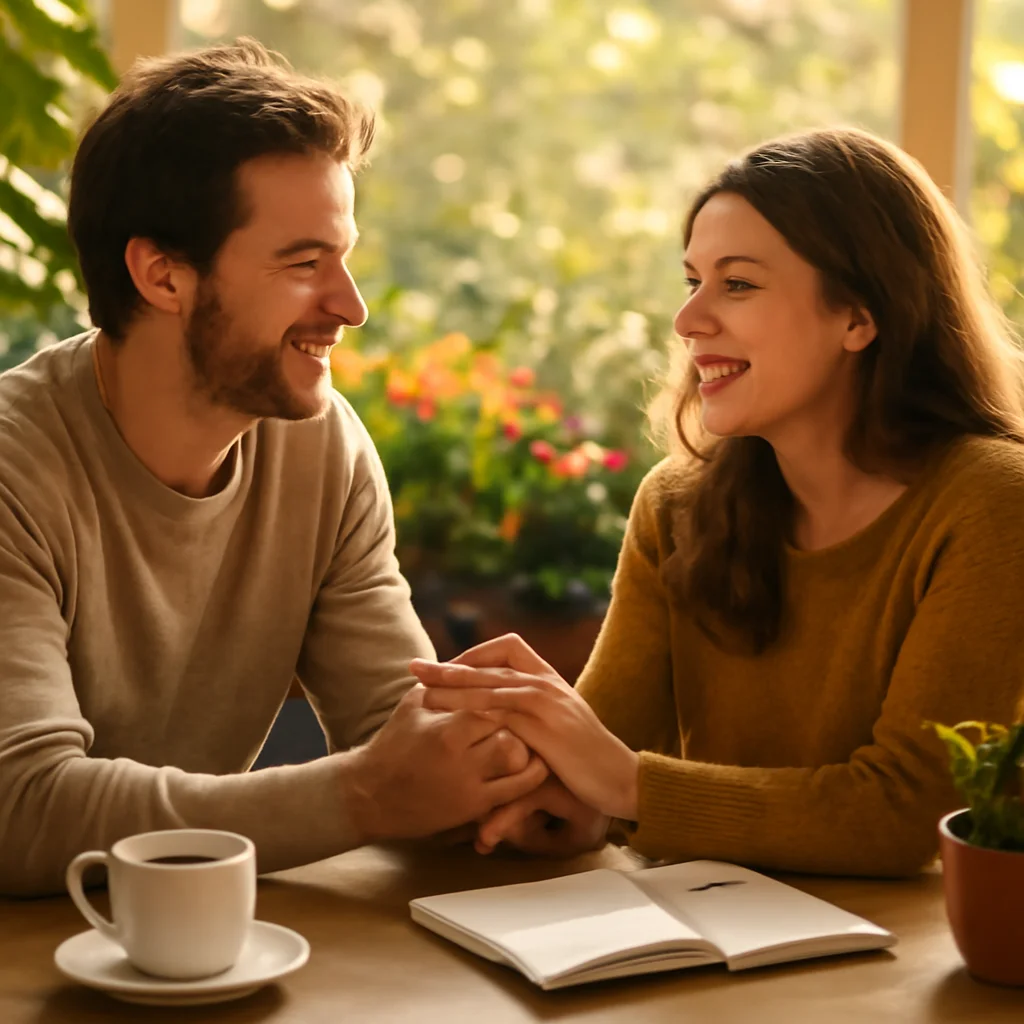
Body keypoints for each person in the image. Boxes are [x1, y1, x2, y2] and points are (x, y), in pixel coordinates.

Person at [0, 39, 546, 898]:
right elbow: (20, 810)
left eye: (344, 256)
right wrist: (366, 794)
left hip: (192, 945)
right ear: (162, 275)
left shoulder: (321, 448)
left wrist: (520, 781)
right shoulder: (13, 472)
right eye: (304, 264)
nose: (350, 306)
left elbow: (399, 732)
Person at [411, 126, 1024, 877]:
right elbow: (599, 768)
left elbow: (906, 813)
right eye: (691, 281)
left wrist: (625, 787)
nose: (689, 320)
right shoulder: (676, 506)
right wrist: (542, 783)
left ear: (860, 317)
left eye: (737, 284)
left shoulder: (992, 501)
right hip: (715, 951)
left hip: (912, 973)